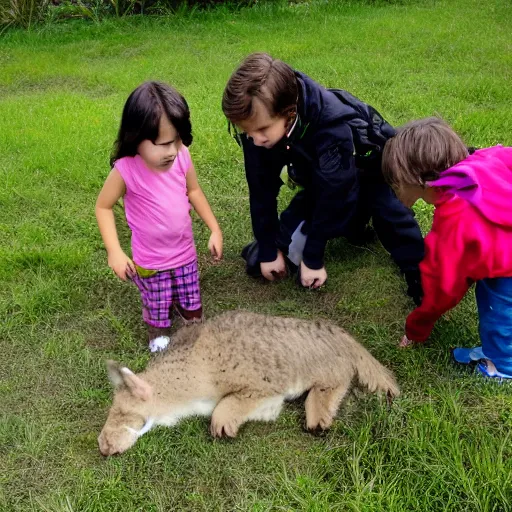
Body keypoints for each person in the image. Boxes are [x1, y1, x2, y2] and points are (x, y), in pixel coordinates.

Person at [222, 53, 424, 302]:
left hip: (367, 172)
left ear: (290, 113)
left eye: (262, 130)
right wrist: (267, 249)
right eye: (247, 132)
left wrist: (313, 257)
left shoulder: (331, 127)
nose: (255, 139)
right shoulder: (258, 128)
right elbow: (261, 190)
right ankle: (354, 224)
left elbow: (336, 194)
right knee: (259, 260)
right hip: (321, 180)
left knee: (391, 216)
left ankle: (420, 278)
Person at [96, 81, 222, 352]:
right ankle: (158, 331)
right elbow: (103, 207)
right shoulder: (125, 170)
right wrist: (114, 252)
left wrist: (214, 228)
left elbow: (194, 191)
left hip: (185, 254)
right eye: (163, 143)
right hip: (151, 260)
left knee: (192, 302)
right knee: (157, 301)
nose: (172, 151)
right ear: (135, 137)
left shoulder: (182, 157)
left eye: (177, 140)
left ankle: (189, 315)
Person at [382, 117, 512, 379]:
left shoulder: (454, 221)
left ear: (420, 180)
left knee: (498, 311)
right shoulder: (484, 160)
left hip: (506, 266)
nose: (394, 190)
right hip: (501, 252)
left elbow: (442, 288)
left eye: (397, 183)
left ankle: (502, 368)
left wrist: (416, 328)